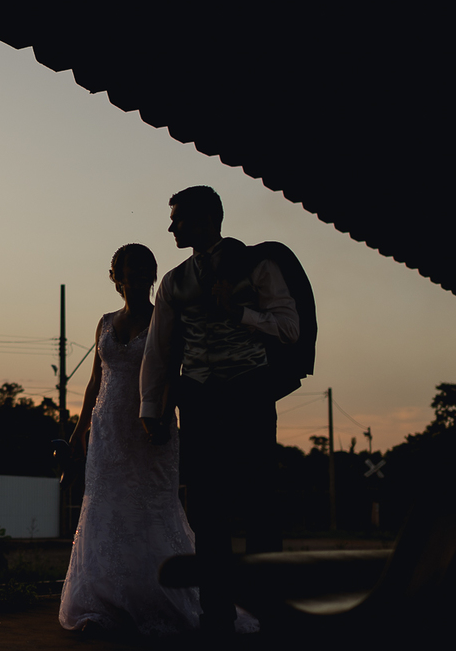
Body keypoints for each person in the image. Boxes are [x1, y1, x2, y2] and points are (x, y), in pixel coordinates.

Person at [139, 185, 302, 637]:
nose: (171, 226)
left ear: (206, 218)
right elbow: (160, 349)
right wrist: (153, 407)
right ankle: (216, 619)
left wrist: (241, 314)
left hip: (249, 394)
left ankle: (272, 616)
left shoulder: (259, 265)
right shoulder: (173, 281)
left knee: (259, 507)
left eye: (178, 218)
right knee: (207, 510)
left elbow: (289, 328)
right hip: (200, 398)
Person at [59, 243, 203, 636]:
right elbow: (94, 382)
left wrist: (159, 416)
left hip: (149, 427)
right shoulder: (104, 321)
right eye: (130, 270)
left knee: (148, 511)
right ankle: (100, 606)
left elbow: (174, 373)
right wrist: (77, 432)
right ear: (116, 277)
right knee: (105, 511)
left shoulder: (166, 318)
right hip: (107, 431)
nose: (138, 277)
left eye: (145, 270)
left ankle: (156, 603)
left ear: (153, 276)